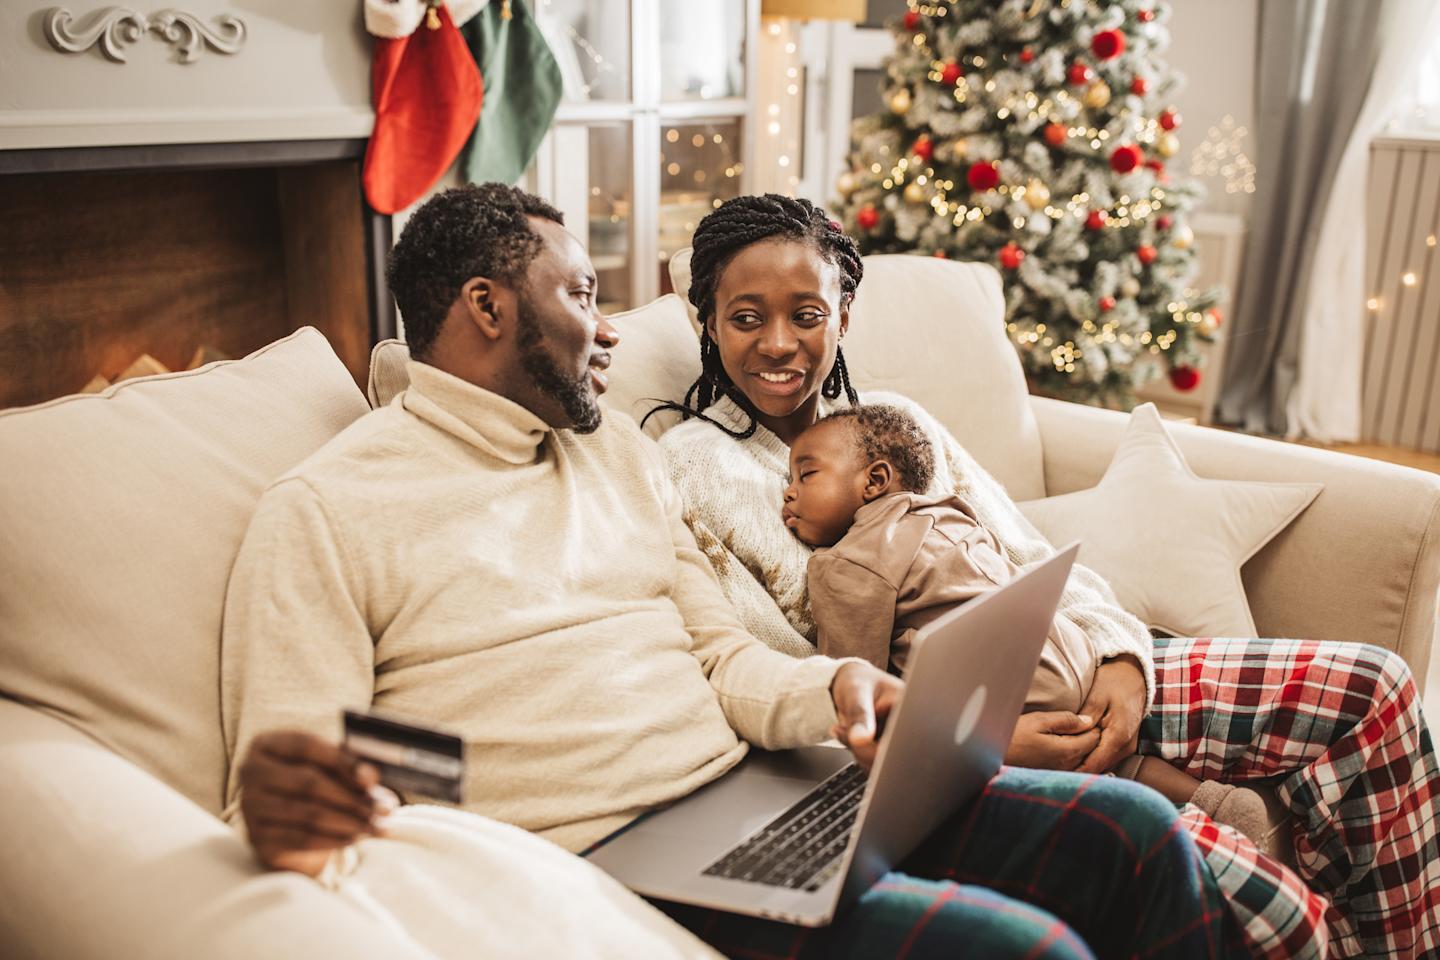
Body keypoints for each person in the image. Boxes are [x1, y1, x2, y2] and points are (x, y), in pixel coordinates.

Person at [221, 183, 1244, 960]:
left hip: (772, 798)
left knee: (1141, 832)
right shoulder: (326, 510)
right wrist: (292, 803)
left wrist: (835, 686)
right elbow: (289, 785)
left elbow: (719, 656)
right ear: (488, 309)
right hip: (605, 865)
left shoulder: (612, 454)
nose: (612, 325)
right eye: (581, 293)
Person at [656, 192, 1440, 960]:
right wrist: (979, 746)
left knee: (1375, 687)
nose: (780, 344)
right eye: (747, 318)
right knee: (1284, 915)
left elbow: (1025, 553)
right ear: (708, 322)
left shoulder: (897, 419)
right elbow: (781, 678)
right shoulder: (689, 466)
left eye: (808, 313)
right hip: (961, 744)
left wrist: (1123, 658)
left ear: (845, 315)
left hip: (1070, 652)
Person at [781, 404, 1270, 843]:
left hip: (1010, 696)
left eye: (805, 475)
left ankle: (1193, 828)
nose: (788, 493)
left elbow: (854, 682)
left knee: (1090, 769)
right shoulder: (950, 513)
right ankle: (1217, 802)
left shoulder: (846, 564)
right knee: (1108, 755)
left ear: (874, 480)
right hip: (1073, 652)